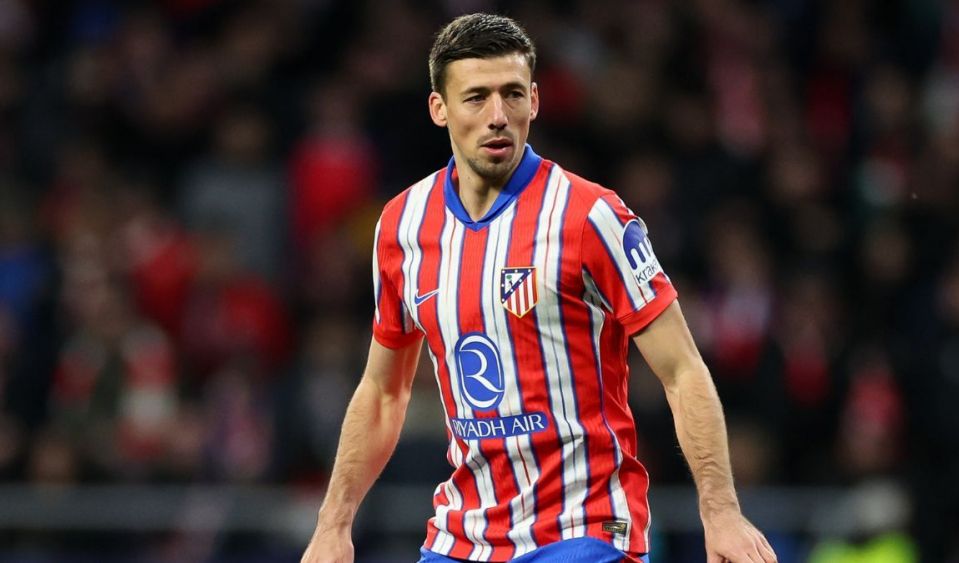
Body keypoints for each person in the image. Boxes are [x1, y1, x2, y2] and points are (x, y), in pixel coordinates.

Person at [302, 13, 777, 563]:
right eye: (476, 97)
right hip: (463, 537)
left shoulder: (590, 216)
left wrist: (720, 512)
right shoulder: (401, 227)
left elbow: (682, 369)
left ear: (535, 100)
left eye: (511, 95)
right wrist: (333, 526)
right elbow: (385, 392)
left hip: (585, 529)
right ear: (440, 109)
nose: (497, 116)